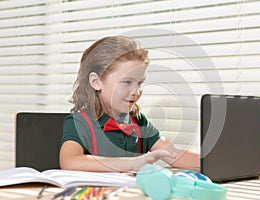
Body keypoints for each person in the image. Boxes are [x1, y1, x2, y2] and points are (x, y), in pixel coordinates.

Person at [59, 36, 200, 172]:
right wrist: (131, 164)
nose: (136, 91)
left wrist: (215, 161)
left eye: (139, 83)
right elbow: (69, 161)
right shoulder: (79, 123)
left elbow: (174, 154)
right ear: (96, 82)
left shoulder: (139, 122)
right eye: (127, 82)